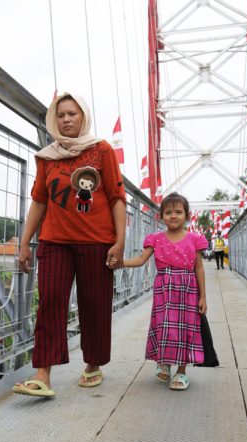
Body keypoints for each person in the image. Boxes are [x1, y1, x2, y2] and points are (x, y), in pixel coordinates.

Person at [13, 92, 126, 398]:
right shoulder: (46, 157)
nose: (66, 120)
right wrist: (25, 243)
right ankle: (43, 375)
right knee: (50, 301)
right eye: (60, 115)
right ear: (54, 119)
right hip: (54, 241)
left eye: (72, 114)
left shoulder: (101, 150)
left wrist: (119, 242)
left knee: (94, 304)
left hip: (97, 242)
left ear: (84, 116)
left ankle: (92, 364)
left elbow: (117, 198)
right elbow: (38, 201)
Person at [124, 192, 208, 390]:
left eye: (179, 212)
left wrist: (203, 296)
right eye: (168, 212)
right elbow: (140, 260)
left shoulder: (195, 239)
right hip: (164, 289)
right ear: (161, 216)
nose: (173, 215)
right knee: (163, 326)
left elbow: (199, 268)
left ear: (187, 216)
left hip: (188, 289)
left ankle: (181, 372)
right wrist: (121, 262)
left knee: (186, 328)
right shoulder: (155, 239)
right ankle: (164, 363)